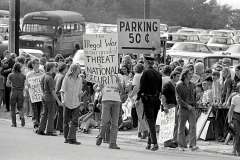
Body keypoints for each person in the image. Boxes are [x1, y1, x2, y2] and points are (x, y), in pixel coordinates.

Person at [136, 55, 162, 151]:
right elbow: (160, 89)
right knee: (152, 121)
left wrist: (138, 97)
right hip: (156, 99)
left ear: (146, 62)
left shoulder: (146, 72)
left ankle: (155, 143)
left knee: (150, 121)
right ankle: (149, 143)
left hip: (148, 99)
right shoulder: (158, 74)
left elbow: (142, 88)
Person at [95, 75, 124, 149]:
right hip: (106, 99)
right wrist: (100, 86)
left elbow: (122, 91)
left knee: (115, 123)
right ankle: (101, 135)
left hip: (116, 100)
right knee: (105, 120)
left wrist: (119, 83)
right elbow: (98, 89)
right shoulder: (104, 75)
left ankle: (113, 143)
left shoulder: (120, 76)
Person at [176, 68, 198, 151]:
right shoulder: (179, 85)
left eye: (191, 74)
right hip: (183, 109)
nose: (191, 75)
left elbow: (195, 96)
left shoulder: (193, 85)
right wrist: (186, 105)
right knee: (181, 127)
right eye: (189, 74)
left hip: (192, 108)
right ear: (184, 75)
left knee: (193, 127)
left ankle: (192, 145)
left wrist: (194, 105)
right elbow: (178, 99)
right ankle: (181, 145)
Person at [37, 62, 62, 136]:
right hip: (50, 97)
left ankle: (41, 129)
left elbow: (41, 86)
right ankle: (49, 130)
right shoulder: (50, 77)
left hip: (44, 95)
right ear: (51, 68)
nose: (55, 68)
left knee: (44, 113)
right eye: (54, 67)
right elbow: (52, 90)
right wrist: (58, 100)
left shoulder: (44, 76)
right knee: (51, 114)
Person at [60, 63, 83, 145]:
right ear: (73, 70)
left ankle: (72, 138)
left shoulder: (80, 79)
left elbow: (80, 92)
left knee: (74, 121)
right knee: (66, 121)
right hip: (67, 102)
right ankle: (67, 138)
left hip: (76, 102)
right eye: (78, 68)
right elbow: (62, 90)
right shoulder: (66, 78)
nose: (79, 70)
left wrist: (80, 102)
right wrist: (63, 100)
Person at [129, 63, 148, 139]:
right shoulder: (144, 75)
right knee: (143, 115)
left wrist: (131, 95)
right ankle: (140, 132)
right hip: (145, 97)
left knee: (140, 116)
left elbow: (136, 87)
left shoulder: (136, 76)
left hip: (138, 97)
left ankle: (145, 131)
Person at [162, 71, 180, 148]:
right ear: (173, 76)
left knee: (174, 123)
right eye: (177, 76)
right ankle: (168, 142)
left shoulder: (175, 85)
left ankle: (173, 140)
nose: (178, 78)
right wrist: (165, 106)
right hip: (169, 105)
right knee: (169, 124)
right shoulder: (167, 85)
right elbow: (163, 96)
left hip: (174, 105)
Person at [26, 58, 44, 132]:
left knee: (40, 110)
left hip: (40, 95)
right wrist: (28, 87)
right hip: (33, 95)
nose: (38, 65)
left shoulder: (42, 74)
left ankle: (39, 123)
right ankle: (35, 125)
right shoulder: (29, 75)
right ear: (33, 65)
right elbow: (26, 85)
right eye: (36, 63)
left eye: (38, 63)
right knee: (34, 110)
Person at [54, 63, 68, 135]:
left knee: (58, 112)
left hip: (56, 95)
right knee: (61, 113)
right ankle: (59, 128)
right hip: (61, 95)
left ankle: (54, 126)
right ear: (64, 68)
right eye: (66, 68)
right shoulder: (63, 77)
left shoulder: (57, 75)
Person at [228, 82, 240, 157]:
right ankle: (234, 149)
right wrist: (229, 119)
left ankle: (238, 150)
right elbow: (231, 109)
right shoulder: (235, 98)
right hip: (236, 116)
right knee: (237, 132)